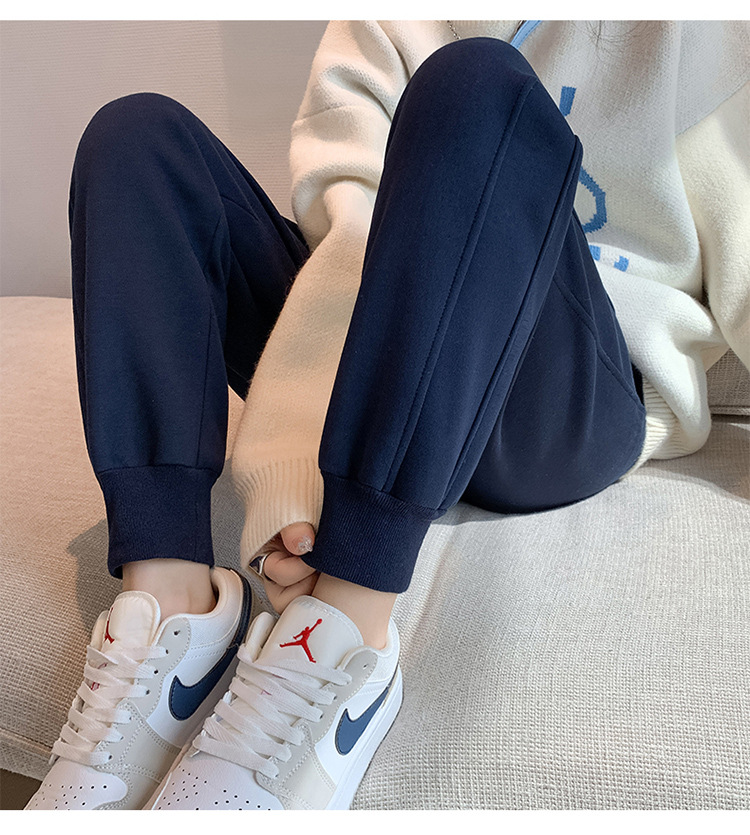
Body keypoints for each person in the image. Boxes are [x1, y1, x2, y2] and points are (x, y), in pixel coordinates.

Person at [26, 20, 749, 810]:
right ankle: (170, 615)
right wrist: (295, 474)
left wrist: (342, 525)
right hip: (389, 350)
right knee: (137, 139)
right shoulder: (390, 19)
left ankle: (342, 635)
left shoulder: (711, 37)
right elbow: (348, 244)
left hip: (567, 402)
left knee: (477, 86)